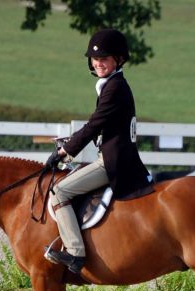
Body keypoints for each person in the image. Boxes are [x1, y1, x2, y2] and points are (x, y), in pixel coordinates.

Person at [45, 29, 154, 274]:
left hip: (113, 163)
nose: (98, 63)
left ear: (119, 59)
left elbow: (94, 124)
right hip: (118, 157)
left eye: (104, 58)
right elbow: (102, 127)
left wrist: (65, 151)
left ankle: (75, 252)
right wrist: (69, 144)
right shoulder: (113, 85)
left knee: (59, 192)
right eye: (95, 59)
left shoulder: (114, 88)